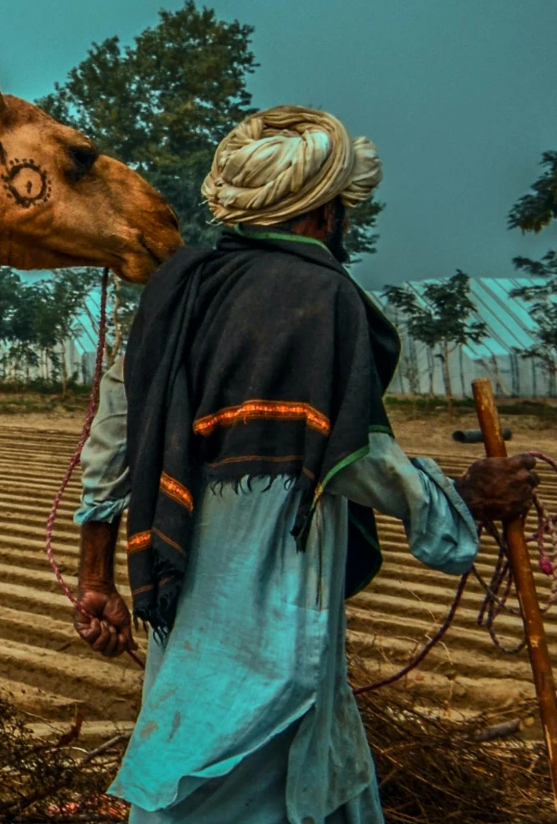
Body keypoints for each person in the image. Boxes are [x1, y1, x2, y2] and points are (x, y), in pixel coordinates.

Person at [72, 105, 538, 824]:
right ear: (324, 213)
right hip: (274, 592)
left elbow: (114, 425)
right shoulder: (321, 297)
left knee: (268, 753)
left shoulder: (181, 287)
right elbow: (351, 456)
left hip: (183, 580)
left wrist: (96, 576)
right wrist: (462, 497)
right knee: (244, 757)